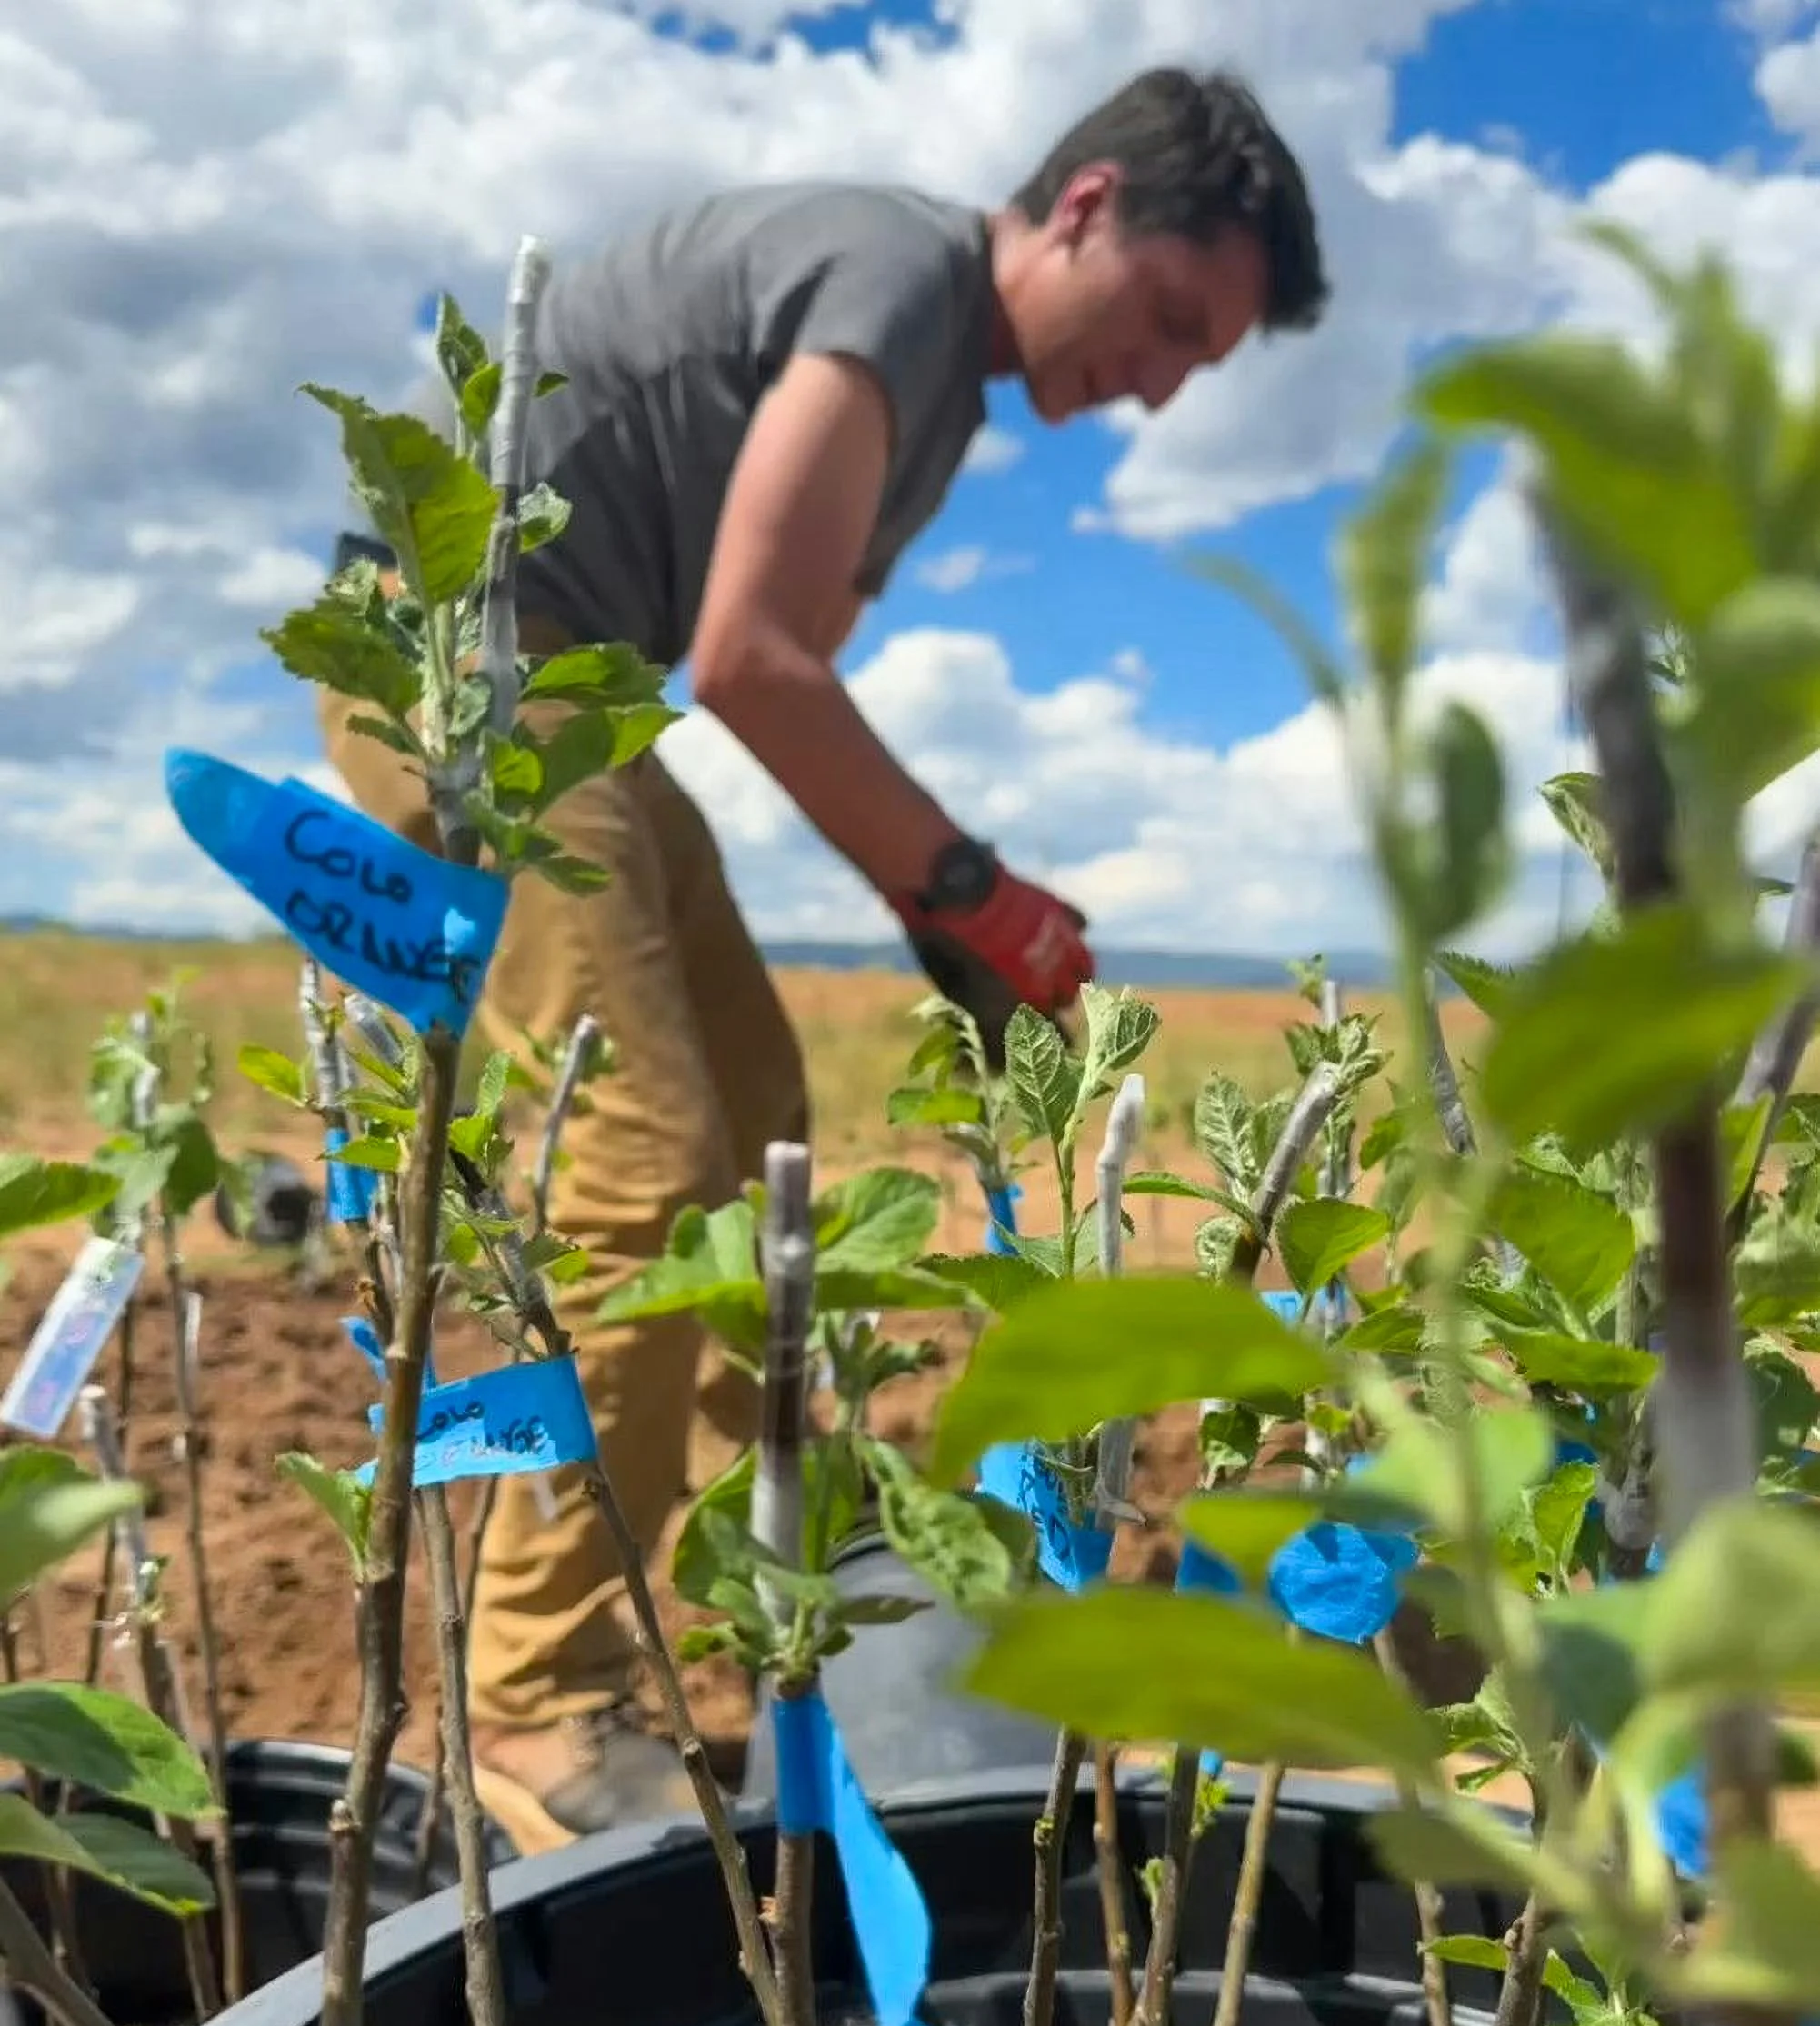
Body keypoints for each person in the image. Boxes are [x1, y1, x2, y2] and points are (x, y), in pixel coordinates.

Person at [316, 64, 1329, 1854]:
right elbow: (756, 661)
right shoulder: (897, 279)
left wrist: (940, 909)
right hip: (459, 642)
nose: (1164, 384)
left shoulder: (934, 404)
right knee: (639, 1173)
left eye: (1203, 365)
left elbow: (785, 690)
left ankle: (792, 1574)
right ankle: (536, 1702)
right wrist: (976, 890)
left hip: (574, 692)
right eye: (1172, 321)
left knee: (764, 1122)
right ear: (1083, 205)